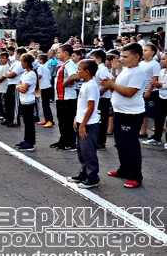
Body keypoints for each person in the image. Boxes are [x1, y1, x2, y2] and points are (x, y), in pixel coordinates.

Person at [100, 43, 146, 189]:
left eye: (126, 57)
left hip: (131, 114)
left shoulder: (138, 72)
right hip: (120, 111)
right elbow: (118, 88)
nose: (122, 59)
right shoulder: (126, 70)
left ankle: (135, 176)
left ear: (137, 57)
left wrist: (111, 85)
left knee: (130, 145)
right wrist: (112, 81)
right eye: (122, 56)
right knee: (120, 143)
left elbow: (129, 92)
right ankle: (124, 169)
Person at [66, 59, 101, 188]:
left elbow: (91, 107)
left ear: (87, 72)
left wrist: (83, 125)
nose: (77, 72)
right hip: (82, 120)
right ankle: (84, 173)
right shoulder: (85, 84)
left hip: (89, 123)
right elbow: (82, 105)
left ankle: (93, 177)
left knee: (88, 151)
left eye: (79, 69)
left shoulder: (91, 85)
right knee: (81, 151)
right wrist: (77, 118)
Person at [50, 44, 79, 151]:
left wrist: (63, 84)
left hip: (67, 98)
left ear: (66, 53)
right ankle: (63, 140)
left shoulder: (69, 64)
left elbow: (74, 76)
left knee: (67, 121)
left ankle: (70, 142)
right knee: (62, 121)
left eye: (59, 52)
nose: (58, 54)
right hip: (61, 97)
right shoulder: (64, 64)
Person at [143, 53, 167, 149]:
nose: (161, 61)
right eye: (161, 59)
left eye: (164, 59)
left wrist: (161, 85)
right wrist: (157, 84)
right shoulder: (161, 71)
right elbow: (157, 83)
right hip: (161, 96)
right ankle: (156, 138)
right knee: (159, 118)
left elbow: (161, 84)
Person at [15, 54, 37, 151]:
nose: (21, 64)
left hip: (28, 100)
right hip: (23, 100)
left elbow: (24, 89)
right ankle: (26, 139)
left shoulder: (32, 74)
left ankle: (30, 142)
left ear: (26, 63)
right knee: (26, 121)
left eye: (22, 62)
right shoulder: (25, 73)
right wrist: (19, 86)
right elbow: (19, 83)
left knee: (29, 122)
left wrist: (19, 87)